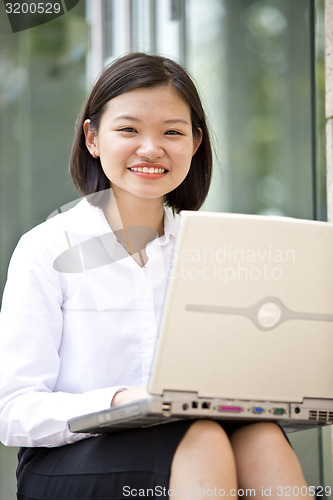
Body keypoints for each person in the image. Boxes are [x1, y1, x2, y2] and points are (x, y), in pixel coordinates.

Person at [0, 53, 311, 500]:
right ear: (92, 138)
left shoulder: (215, 250)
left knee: (260, 436)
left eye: (172, 132)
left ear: (195, 142)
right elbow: (14, 411)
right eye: (128, 130)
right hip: (72, 458)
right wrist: (121, 401)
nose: (151, 148)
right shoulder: (46, 249)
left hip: (197, 434)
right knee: (201, 439)